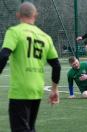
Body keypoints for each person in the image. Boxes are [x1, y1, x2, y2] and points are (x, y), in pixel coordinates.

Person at [0, 2, 61, 131]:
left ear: (18, 15)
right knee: (30, 128)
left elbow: (4, 56)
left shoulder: (14, 32)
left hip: (20, 91)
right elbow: (56, 65)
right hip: (37, 90)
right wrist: (54, 90)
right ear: (35, 15)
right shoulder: (45, 37)